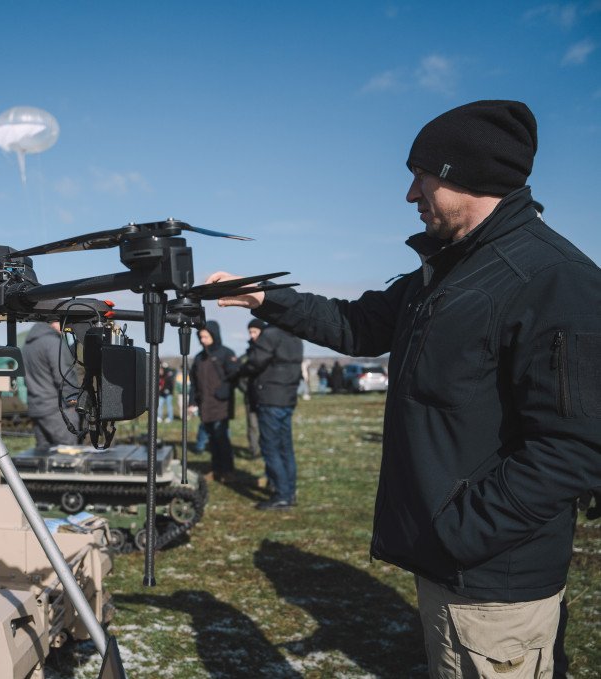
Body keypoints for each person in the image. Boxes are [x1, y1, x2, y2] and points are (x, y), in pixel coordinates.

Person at [207, 100, 601, 677]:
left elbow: (574, 448)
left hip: (493, 583)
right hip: (448, 564)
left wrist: (458, 532)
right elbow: (358, 323)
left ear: (460, 176)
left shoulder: (552, 280)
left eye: (420, 178)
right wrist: (265, 298)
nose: (410, 196)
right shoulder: (448, 269)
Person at [238, 319, 303, 509]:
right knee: (285, 448)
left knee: (270, 448)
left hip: (270, 399)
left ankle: (281, 494)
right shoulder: (295, 336)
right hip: (287, 399)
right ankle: (289, 492)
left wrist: (240, 370)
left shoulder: (271, 334)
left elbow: (256, 362)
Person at [189, 320, 239, 482]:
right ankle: (216, 469)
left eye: (205, 336)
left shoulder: (226, 353)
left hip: (221, 405)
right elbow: (194, 383)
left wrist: (225, 389)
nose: (203, 340)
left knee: (222, 438)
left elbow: (235, 375)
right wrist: (192, 402)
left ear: (214, 335)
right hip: (205, 405)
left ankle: (228, 471)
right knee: (212, 440)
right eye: (201, 337)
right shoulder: (199, 358)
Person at [21, 321, 79, 450]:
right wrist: (73, 400)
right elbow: (64, 376)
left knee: (44, 458)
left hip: (36, 408)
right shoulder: (53, 343)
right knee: (67, 456)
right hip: (56, 411)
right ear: (54, 322)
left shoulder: (28, 344)